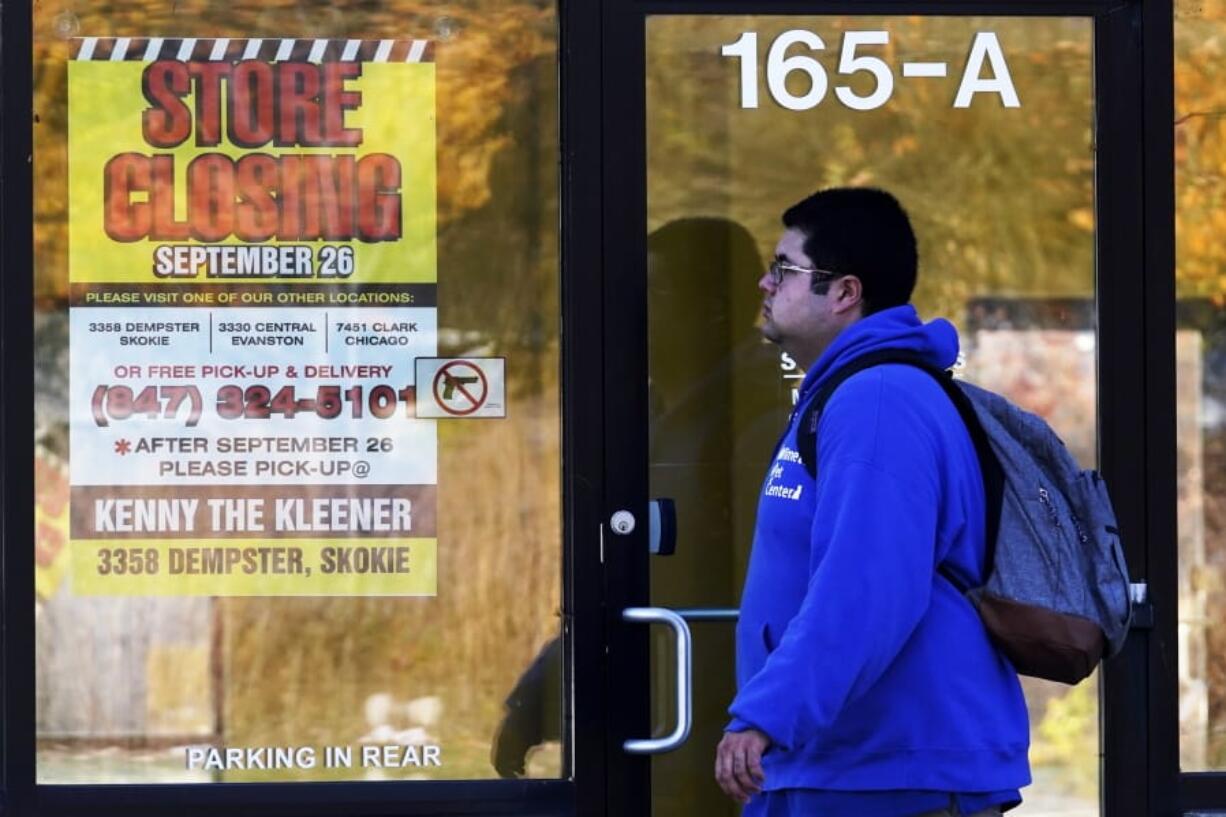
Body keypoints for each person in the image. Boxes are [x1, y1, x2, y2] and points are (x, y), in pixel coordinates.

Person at [714, 188, 1030, 817]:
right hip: (846, 765)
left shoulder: (878, 401)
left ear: (845, 293)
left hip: (888, 775)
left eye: (784, 269)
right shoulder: (848, 393)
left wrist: (768, 714)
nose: (764, 283)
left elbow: (866, 588)